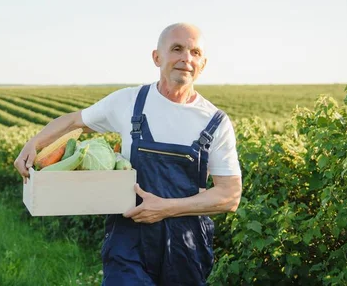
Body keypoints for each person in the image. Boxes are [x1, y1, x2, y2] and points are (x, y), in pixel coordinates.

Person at [14, 23, 242, 285]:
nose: (186, 59)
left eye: (195, 52)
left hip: (186, 246)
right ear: (157, 57)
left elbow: (229, 196)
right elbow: (74, 121)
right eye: (177, 49)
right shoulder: (129, 101)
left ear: (202, 63)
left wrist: (166, 208)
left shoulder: (215, 121)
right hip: (129, 239)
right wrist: (33, 144)